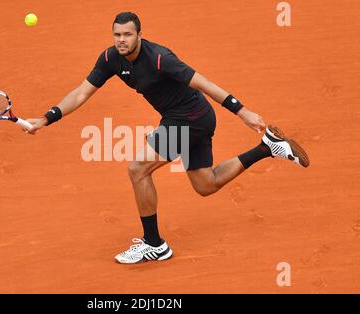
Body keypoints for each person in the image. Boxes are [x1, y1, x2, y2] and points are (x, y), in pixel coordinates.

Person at [24, 12, 310, 264]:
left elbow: (204, 83)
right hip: (189, 118)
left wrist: (242, 111)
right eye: (116, 34)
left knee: (138, 169)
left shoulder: (160, 58)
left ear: (139, 35)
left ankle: (154, 244)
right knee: (206, 185)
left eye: (127, 34)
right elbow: (81, 92)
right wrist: (48, 117)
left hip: (191, 119)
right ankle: (267, 147)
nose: (121, 40)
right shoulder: (110, 58)